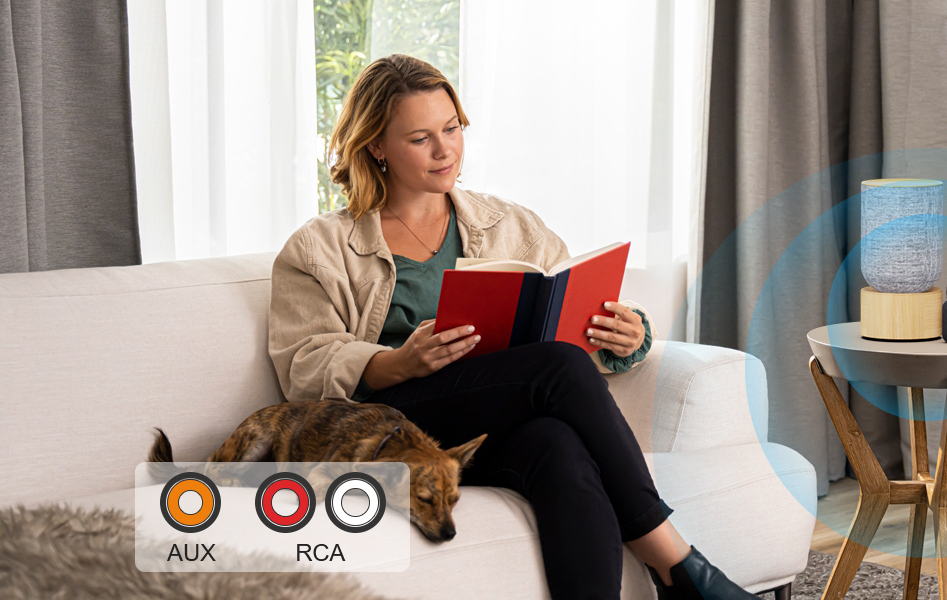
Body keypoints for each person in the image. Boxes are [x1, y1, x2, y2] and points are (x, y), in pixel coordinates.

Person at [266, 53, 759, 600]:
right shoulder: (318, 248)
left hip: (483, 428)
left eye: (452, 129)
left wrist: (630, 335)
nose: (445, 149)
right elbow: (301, 366)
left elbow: (574, 310)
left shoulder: (510, 224)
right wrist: (395, 362)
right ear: (376, 145)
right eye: (420, 138)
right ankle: (679, 566)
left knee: (557, 445)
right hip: (393, 430)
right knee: (558, 367)